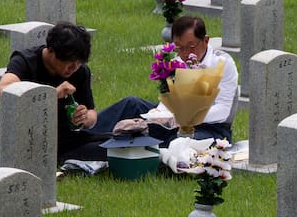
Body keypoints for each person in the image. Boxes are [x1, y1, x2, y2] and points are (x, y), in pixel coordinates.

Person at [90, 16, 239, 145]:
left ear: (205, 40)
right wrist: (160, 113)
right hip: (175, 120)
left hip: (211, 128)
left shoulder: (222, 63)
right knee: (131, 103)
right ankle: (86, 133)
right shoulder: (177, 61)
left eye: (191, 47)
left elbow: (223, 111)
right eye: (179, 48)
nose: (186, 54)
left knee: (178, 141)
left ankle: (144, 145)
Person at [0, 22, 108, 163]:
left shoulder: (80, 71)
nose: (73, 68)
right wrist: (52, 94)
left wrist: (84, 118)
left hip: (65, 138)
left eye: (79, 63)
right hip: (24, 137)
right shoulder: (25, 61)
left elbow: (91, 112)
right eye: (69, 62)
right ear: (51, 51)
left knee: (114, 147)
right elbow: (4, 90)